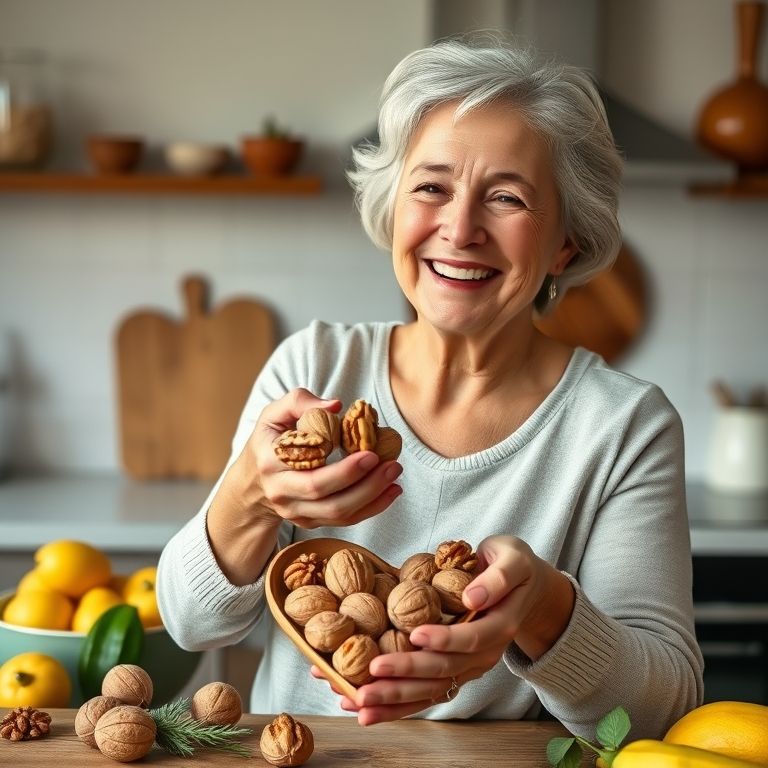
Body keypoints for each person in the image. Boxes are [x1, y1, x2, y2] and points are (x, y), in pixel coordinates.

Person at [157, 37, 704, 739]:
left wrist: (542, 607)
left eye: (506, 197)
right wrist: (247, 495)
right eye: (431, 187)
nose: (460, 228)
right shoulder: (315, 371)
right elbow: (191, 624)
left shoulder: (624, 426)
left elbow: (664, 709)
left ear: (565, 242)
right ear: (394, 207)